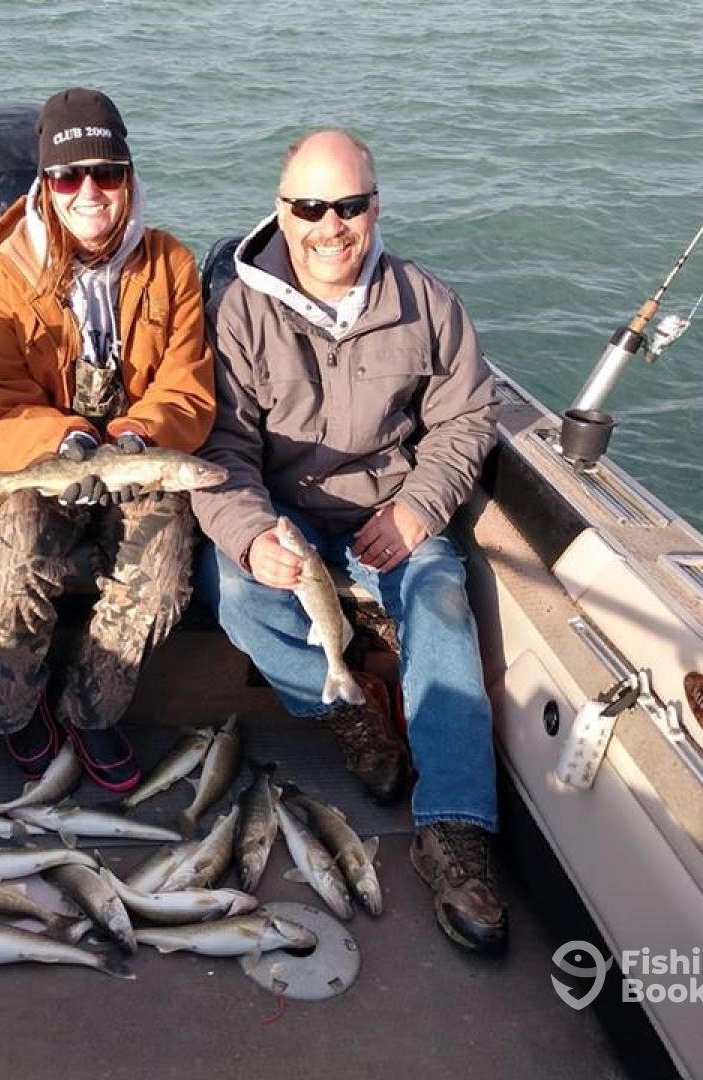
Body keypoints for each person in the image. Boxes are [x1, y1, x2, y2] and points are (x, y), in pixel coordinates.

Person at [191, 130, 506, 951]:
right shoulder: (237, 313)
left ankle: (456, 829)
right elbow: (221, 447)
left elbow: (468, 416)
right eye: (309, 207)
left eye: (349, 205)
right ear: (281, 212)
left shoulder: (426, 301)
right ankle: (343, 708)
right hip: (283, 511)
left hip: (388, 512)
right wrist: (252, 535)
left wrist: (418, 509)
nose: (330, 226)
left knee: (442, 599)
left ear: (375, 207)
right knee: (232, 589)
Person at [0, 88, 215, 792]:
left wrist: (138, 438)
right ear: (45, 184)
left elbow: (187, 385)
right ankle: (16, 714)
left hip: (136, 462)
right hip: (39, 462)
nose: (89, 192)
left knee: (164, 563)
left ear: (129, 177)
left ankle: (90, 709)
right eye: (68, 176)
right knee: (12, 564)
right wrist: (64, 438)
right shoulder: (0, 277)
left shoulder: (171, 263)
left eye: (106, 173)